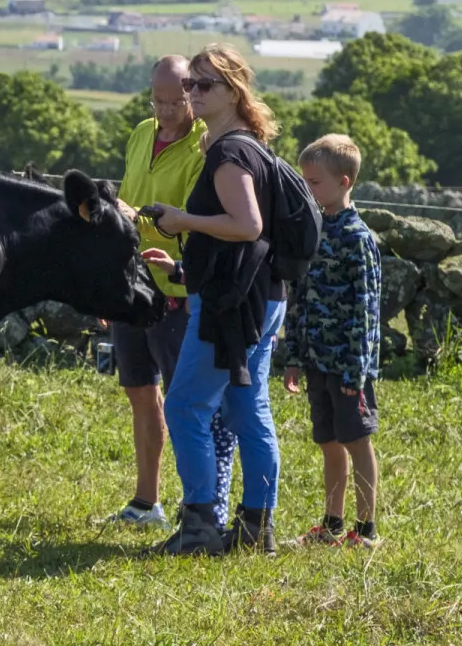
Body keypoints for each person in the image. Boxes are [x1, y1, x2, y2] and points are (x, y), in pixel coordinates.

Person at [141, 44, 289, 556]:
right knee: (249, 408)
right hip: (262, 298)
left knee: (184, 405)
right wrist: (184, 267)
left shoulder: (229, 153)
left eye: (205, 86)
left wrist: (184, 221)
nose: (192, 93)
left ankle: (201, 524)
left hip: (231, 304)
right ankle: (256, 527)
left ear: (234, 92)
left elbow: (248, 226)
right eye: (190, 85)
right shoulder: (250, 145)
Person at [105, 57, 236, 529]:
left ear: (191, 94)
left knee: (186, 402)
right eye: (156, 100)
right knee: (140, 392)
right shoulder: (141, 132)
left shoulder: (205, 148)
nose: (162, 111)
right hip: (132, 284)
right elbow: (128, 194)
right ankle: (146, 501)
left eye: (173, 101)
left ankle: (198, 503)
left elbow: (191, 219)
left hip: (175, 289)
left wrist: (133, 212)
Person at [283, 134, 385, 550]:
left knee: (356, 441)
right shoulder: (312, 229)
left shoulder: (358, 238)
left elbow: (366, 311)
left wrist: (355, 370)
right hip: (315, 360)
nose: (307, 190)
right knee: (328, 441)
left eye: (314, 182)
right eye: (304, 181)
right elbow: (298, 294)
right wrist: (293, 355)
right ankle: (331, 524)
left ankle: (366, 531)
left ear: (344, 181)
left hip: (347, 366)